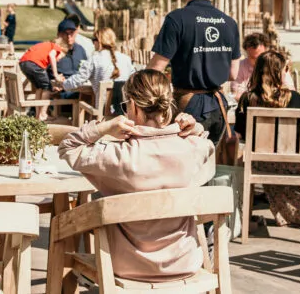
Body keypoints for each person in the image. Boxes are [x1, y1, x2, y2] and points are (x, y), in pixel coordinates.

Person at [58, 69, 215, 282]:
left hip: (127, 266)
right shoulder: (191, 149)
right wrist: (195, 128)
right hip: (184, 263)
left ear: (132, 106)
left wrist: (105, 127)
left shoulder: (118, 156)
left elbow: (67, 147)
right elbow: (208, 145)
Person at [147, 0, 241, 145]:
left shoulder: (177, 19)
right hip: (219, 106)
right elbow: (233, 73)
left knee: (185, 167)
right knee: (208, 164)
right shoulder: (229, 23)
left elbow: (154, 70)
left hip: (188, 107)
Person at [234, 50, 300, 227]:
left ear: (256, 71)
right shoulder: (295, 98)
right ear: (281, 72)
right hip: (296, 163)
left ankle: (255, 212)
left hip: (262, 163)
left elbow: (241, 133)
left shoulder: (247, 99)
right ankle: (299, 213)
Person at [57, 27, 135, 93]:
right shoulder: (126, 59)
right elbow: (134, 78)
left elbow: (78, 79)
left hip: (103, 109)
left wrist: (63, 84)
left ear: (99, 42)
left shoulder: (94, 59)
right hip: (124, 108)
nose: (93, 43)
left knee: (82, 101)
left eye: (93, 40)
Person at [17, 27, 69, 121]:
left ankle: (38, 115)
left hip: (24, 63)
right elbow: (52, 55)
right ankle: (43, 114)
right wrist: (56, 75)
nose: (59, 59)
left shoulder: (45, 46)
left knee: (40, 88)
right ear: (61, 49)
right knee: (47, 88)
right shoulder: (56, 46)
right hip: (34, 63)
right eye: (61, 56)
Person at [230, 33, 269, 100]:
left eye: (260, 57)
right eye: (253, 58)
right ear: (246, 52)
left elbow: (290, 89)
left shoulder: (275, 65)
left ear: (266, 51)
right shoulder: (240, 67)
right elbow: (236, 93)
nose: (257, 61)